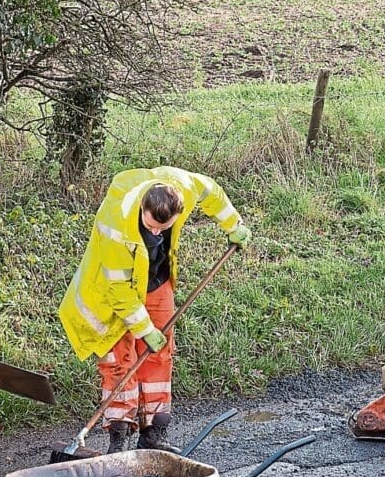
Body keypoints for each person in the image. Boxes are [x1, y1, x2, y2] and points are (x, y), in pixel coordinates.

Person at [59, 167, 250, 453]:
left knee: (160, 355)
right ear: (142, 208)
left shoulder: (183, 187)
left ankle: (153, 435)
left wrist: (234, 225)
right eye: (150, 226)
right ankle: (118, 440)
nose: (156, 232)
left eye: (164, 227)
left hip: (155, 280)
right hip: (110, 291)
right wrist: (144, 329)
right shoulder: (117, 222)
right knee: (120, 361)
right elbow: (119, 291)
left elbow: (212, 192)